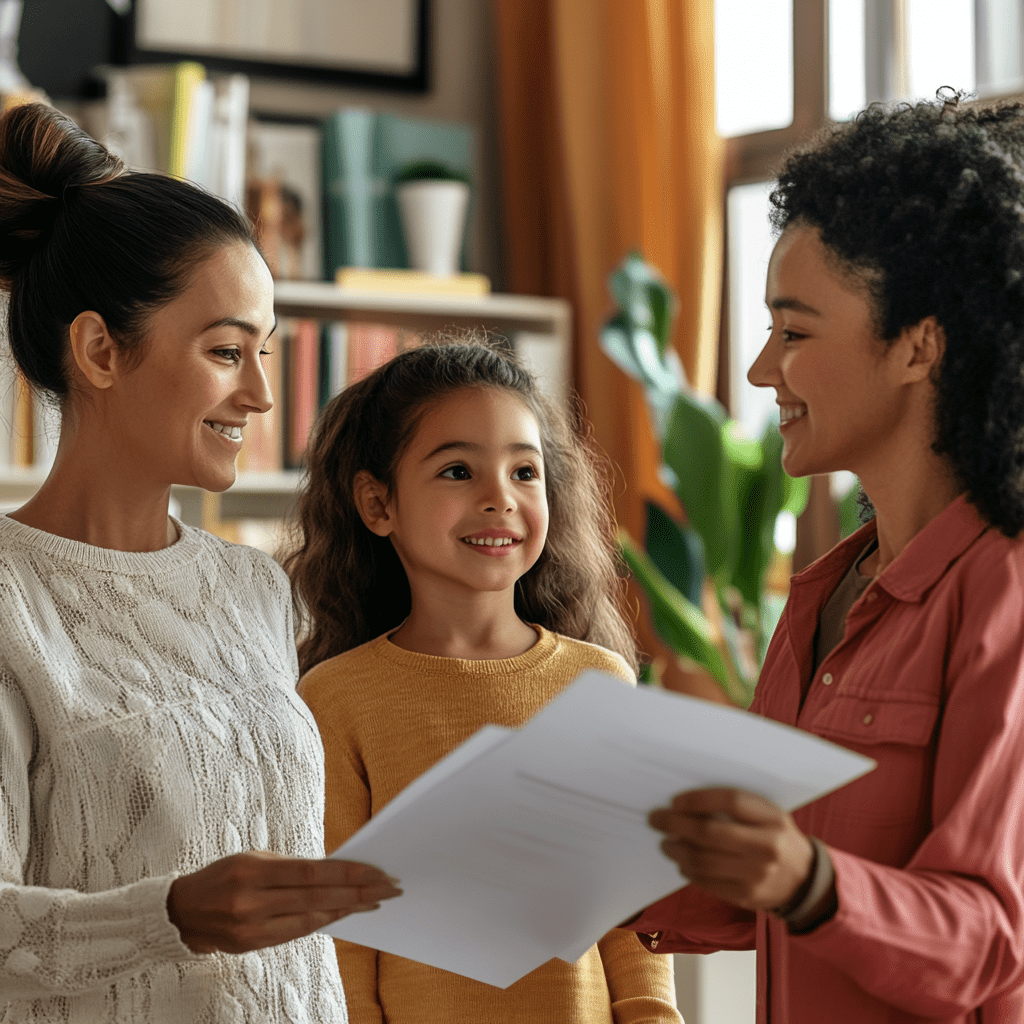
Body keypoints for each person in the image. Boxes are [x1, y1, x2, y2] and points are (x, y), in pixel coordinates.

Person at [625, 93, 1024, 1021]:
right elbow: (763, 892)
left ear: (920, 345)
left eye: (794, 332)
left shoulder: (1001, 585)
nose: (762, 370)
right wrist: (594, 868)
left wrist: (808, 881)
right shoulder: (823, 592)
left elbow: (993, 938)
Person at [0, 102, 400, 1023]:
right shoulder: (13, 605)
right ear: (100, 350)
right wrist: (170, 916)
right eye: (226, 351)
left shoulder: (256, 590)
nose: (262, 393)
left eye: (264, 351)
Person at [287, 339, 682, 1024]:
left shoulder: (601, 683)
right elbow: (341, 940)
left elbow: (631, 912)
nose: (500, 499)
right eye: (458, 471)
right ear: (378, 504)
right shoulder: (334, 699)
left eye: (524, 472)